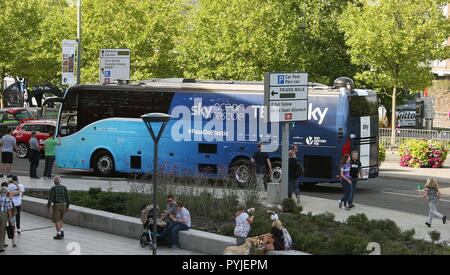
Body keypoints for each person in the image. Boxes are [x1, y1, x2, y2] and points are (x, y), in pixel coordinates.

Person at [0, 186, 13, 252]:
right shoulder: (7, 199)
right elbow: (9, 210)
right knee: (2, 231)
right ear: (6, 192)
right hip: (3, 215)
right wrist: (10, 219)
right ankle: (0, 247)